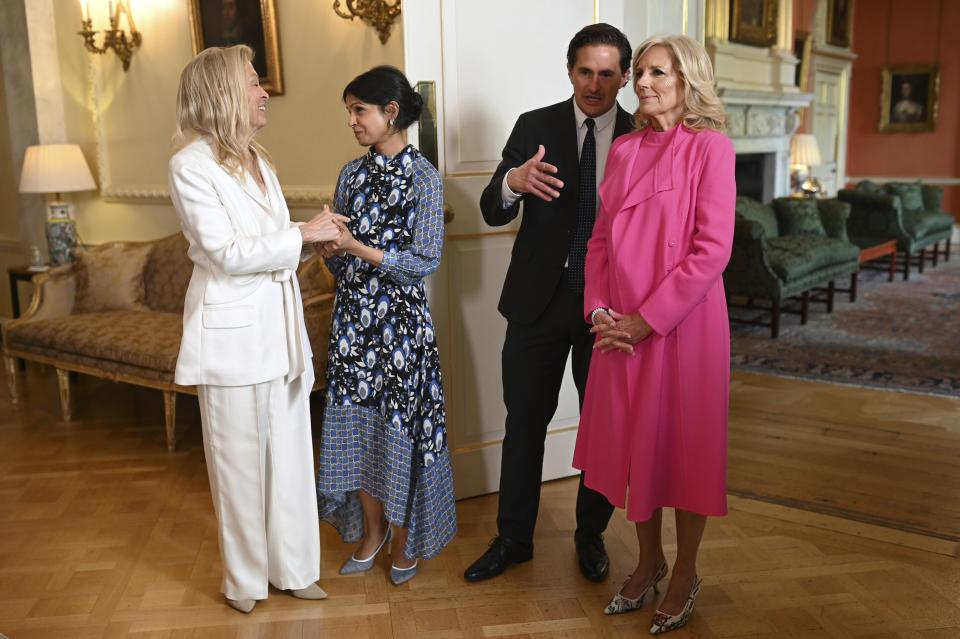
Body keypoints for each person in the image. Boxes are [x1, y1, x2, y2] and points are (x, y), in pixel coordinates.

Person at [168, 45, 342, 613]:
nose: (263, 92)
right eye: (251, 83)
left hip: (281, 334)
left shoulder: (259, 161)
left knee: (291, 459)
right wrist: (302, 236)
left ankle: (293, 569)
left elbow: (268, 242)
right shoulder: (189, 165)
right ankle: (244, 583)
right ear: (222, 95)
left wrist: (306, 233)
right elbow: (225, 252)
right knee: (238, 466)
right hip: (232, 340)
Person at [574, 34, 735, 635]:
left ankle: (686, 570)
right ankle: (648, 560)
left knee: (684, 452)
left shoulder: (711, 149)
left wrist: (648, 320)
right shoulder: (623, 150)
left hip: (682, 327)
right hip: (620, 327)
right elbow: (598, 242)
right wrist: (599, 312)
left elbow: (711, 250)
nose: (642, 82)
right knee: (636, 451)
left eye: (656, 72)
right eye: (638, 72)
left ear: (686, 80)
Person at [464, 23, 634, 584]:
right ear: (569, 70)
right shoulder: (534, 126)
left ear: (624, 78)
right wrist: (513, 180)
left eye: (607, 73)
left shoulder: (643, 136)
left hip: (608, 310)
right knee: (525, 425)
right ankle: (513, 539)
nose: (594, 84)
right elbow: (493, 209)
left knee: (602, 430)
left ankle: (591, 537)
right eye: (585, 71)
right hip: (538, 302)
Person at [316, 65, 456, 586]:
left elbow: (424, 261)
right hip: (353, 326)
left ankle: (404, 540)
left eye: (360, 110)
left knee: (403, 431)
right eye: (349, 111)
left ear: (390, 113)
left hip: (401, 330)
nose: (352, 121)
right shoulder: (351, 175)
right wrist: (330, 246)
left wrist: (359, 248)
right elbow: (339, 264)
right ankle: (371, 534)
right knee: (362, 433)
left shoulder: (424, 178)